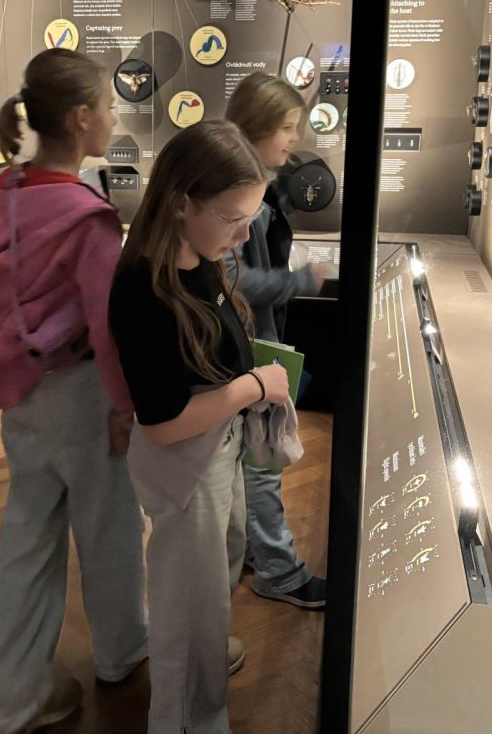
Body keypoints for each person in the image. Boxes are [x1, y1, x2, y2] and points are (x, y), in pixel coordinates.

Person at [0, 48, 147, 734]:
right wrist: (125, 406)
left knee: (27, 539)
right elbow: (107, 328)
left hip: (23, 392)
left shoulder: (7, 194)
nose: (115, 117)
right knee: (110, 527)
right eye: (110, 106)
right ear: (81, 117)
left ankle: (14, 699)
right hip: (83, 395)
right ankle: (123, 652)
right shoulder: (88, 217)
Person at [110, 120, 291, 734]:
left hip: (217, 451)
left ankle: (203, 677)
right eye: (233, 218)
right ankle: (187, 718)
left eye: (251, 219)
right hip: (185, 466)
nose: (243, 236)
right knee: (188, 610)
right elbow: (162, 423)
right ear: (182, 202)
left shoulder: (203, 258)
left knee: (211, 585)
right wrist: (253, 387)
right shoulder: (144, 289)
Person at [224, 72, 330, 610]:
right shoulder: (243, 194)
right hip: (248, 349)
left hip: (250, 345)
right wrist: (297, 281)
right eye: (286, 127)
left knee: (256, 457)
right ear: (258, 126)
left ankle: (255, 552)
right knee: (264, 459)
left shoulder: (250, 186)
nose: (294, 138)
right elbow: (233, 278)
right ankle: (279, 572)